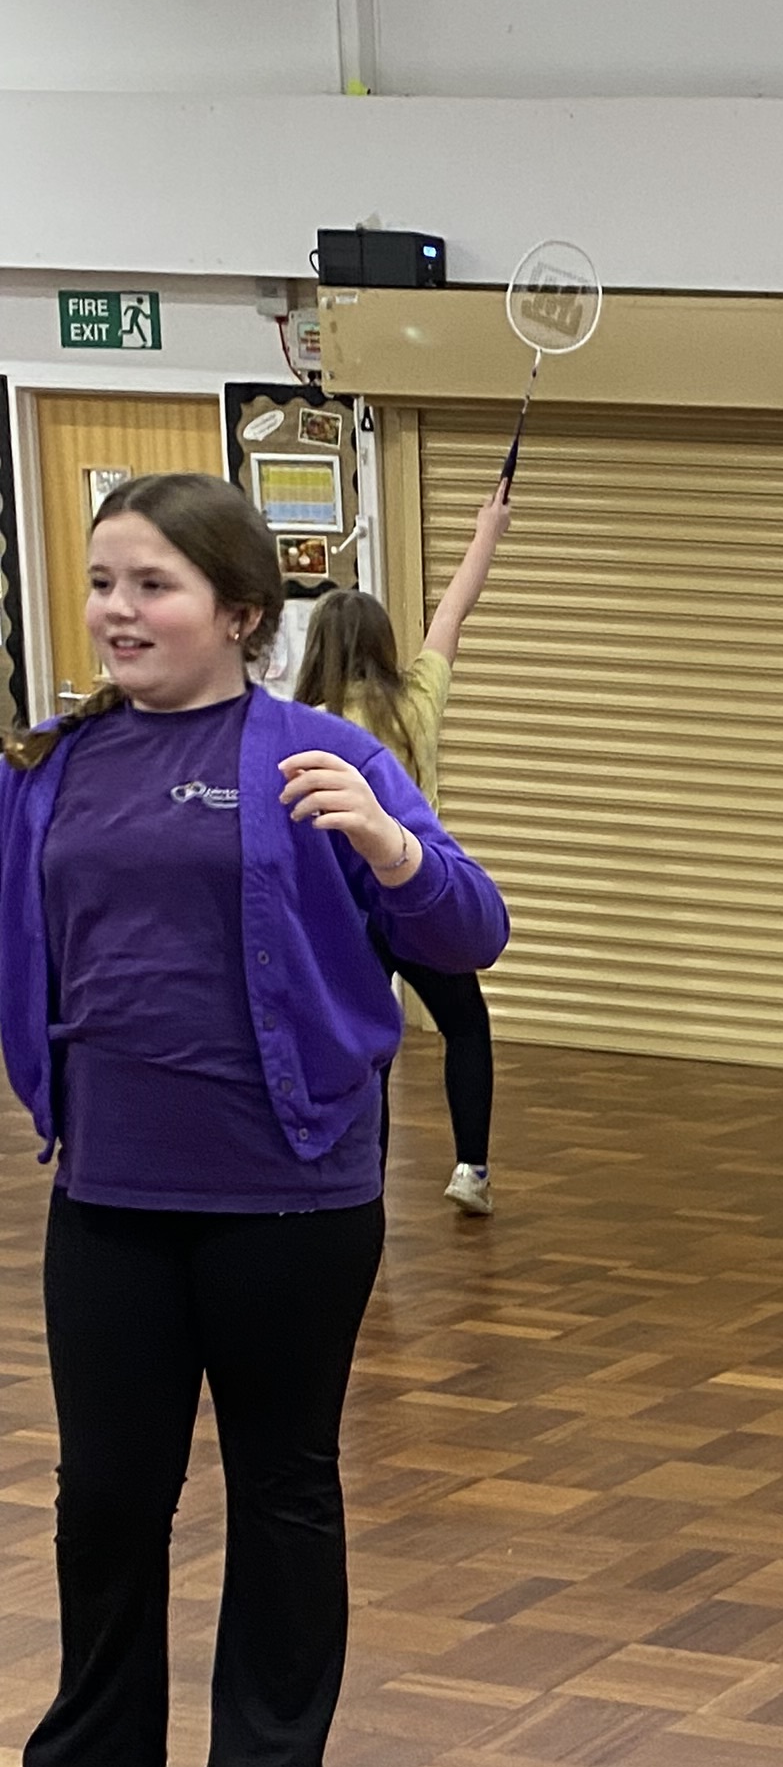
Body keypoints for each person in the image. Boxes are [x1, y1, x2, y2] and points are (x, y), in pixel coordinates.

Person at [0, 474, 508, 1767]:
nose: (117, 610)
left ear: (238, 612)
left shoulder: (317, 754)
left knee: (283, 1480)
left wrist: (393, 848)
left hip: (290, 1190)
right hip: (110, 1187)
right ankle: (95, 1762)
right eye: (103, 582)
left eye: (151, 585)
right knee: (108, 1488)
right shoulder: (48, 767)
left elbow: (471, 931)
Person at [296, 476, 511, 1214]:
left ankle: (368, 1185)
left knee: (370, 1046)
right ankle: (471, 1170)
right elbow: (454, 610)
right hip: (416, 898)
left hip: (344, 911)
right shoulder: (416, 701)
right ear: (383, 645)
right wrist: (487, 530)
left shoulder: (303, 723)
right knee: (466, 1025)